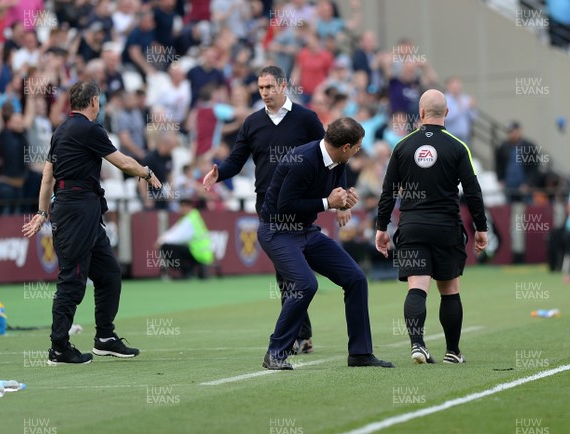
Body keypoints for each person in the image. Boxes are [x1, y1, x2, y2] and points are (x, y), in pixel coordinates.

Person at [22, 81, 162, 365]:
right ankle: (59, 347)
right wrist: (147, 172)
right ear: (94, 102)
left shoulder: (61, 130)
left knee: (109, 274)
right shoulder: (89, 129)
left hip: (78, 210)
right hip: (77, 212)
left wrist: (42, 212)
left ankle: (105, 338)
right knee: (72, 281)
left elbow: (48, 175)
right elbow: (121, 162)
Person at [202, 65, 334, 354]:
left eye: (270, 87)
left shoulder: (307, 119)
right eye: (261, 88)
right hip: (268, 206)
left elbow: (329, 157)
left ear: (283, 86)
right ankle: (302, 335)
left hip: (300, 205)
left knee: (294, 273)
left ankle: (299, 335)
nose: (265, 93)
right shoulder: (251, 123)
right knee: (285, 273)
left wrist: (339, 197)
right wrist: (219, 174)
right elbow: (236, 161)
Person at [258, 116, 393, 370]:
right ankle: (275, 352)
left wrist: (343, 202)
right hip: (277, 231)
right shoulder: (303, 160)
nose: (357, 152)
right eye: (356, 147)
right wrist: (328, 203)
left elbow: (338, 181)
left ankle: (360, 354)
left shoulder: (338, 159)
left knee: (355, 278)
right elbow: (284, 205)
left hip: (306, 231)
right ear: (345, 147)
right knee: (305, 284)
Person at [375, 89, 488, 365]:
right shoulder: (458, 147)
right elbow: (472, 191)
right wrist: (481, 228)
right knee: (449, 290)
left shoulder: (402, 146)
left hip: (412, 226)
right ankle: (452, 351)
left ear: (421, 114)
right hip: (446, 227)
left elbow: (387, 191)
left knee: (417, 287)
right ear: (447, 114)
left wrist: (381, 227)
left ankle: (417, 345)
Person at [155, 198, 214, 279]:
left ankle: (187, 271)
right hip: (203, 253)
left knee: (166, 247)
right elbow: (175, 232)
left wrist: (160, 241)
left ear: (189, 207)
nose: (181, 209)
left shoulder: (190, 219)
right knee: (171, 246)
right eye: (180, 207)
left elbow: (177, 236)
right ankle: (189, 270)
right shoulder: (192, 216)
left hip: (198, 253)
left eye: (183, 207)